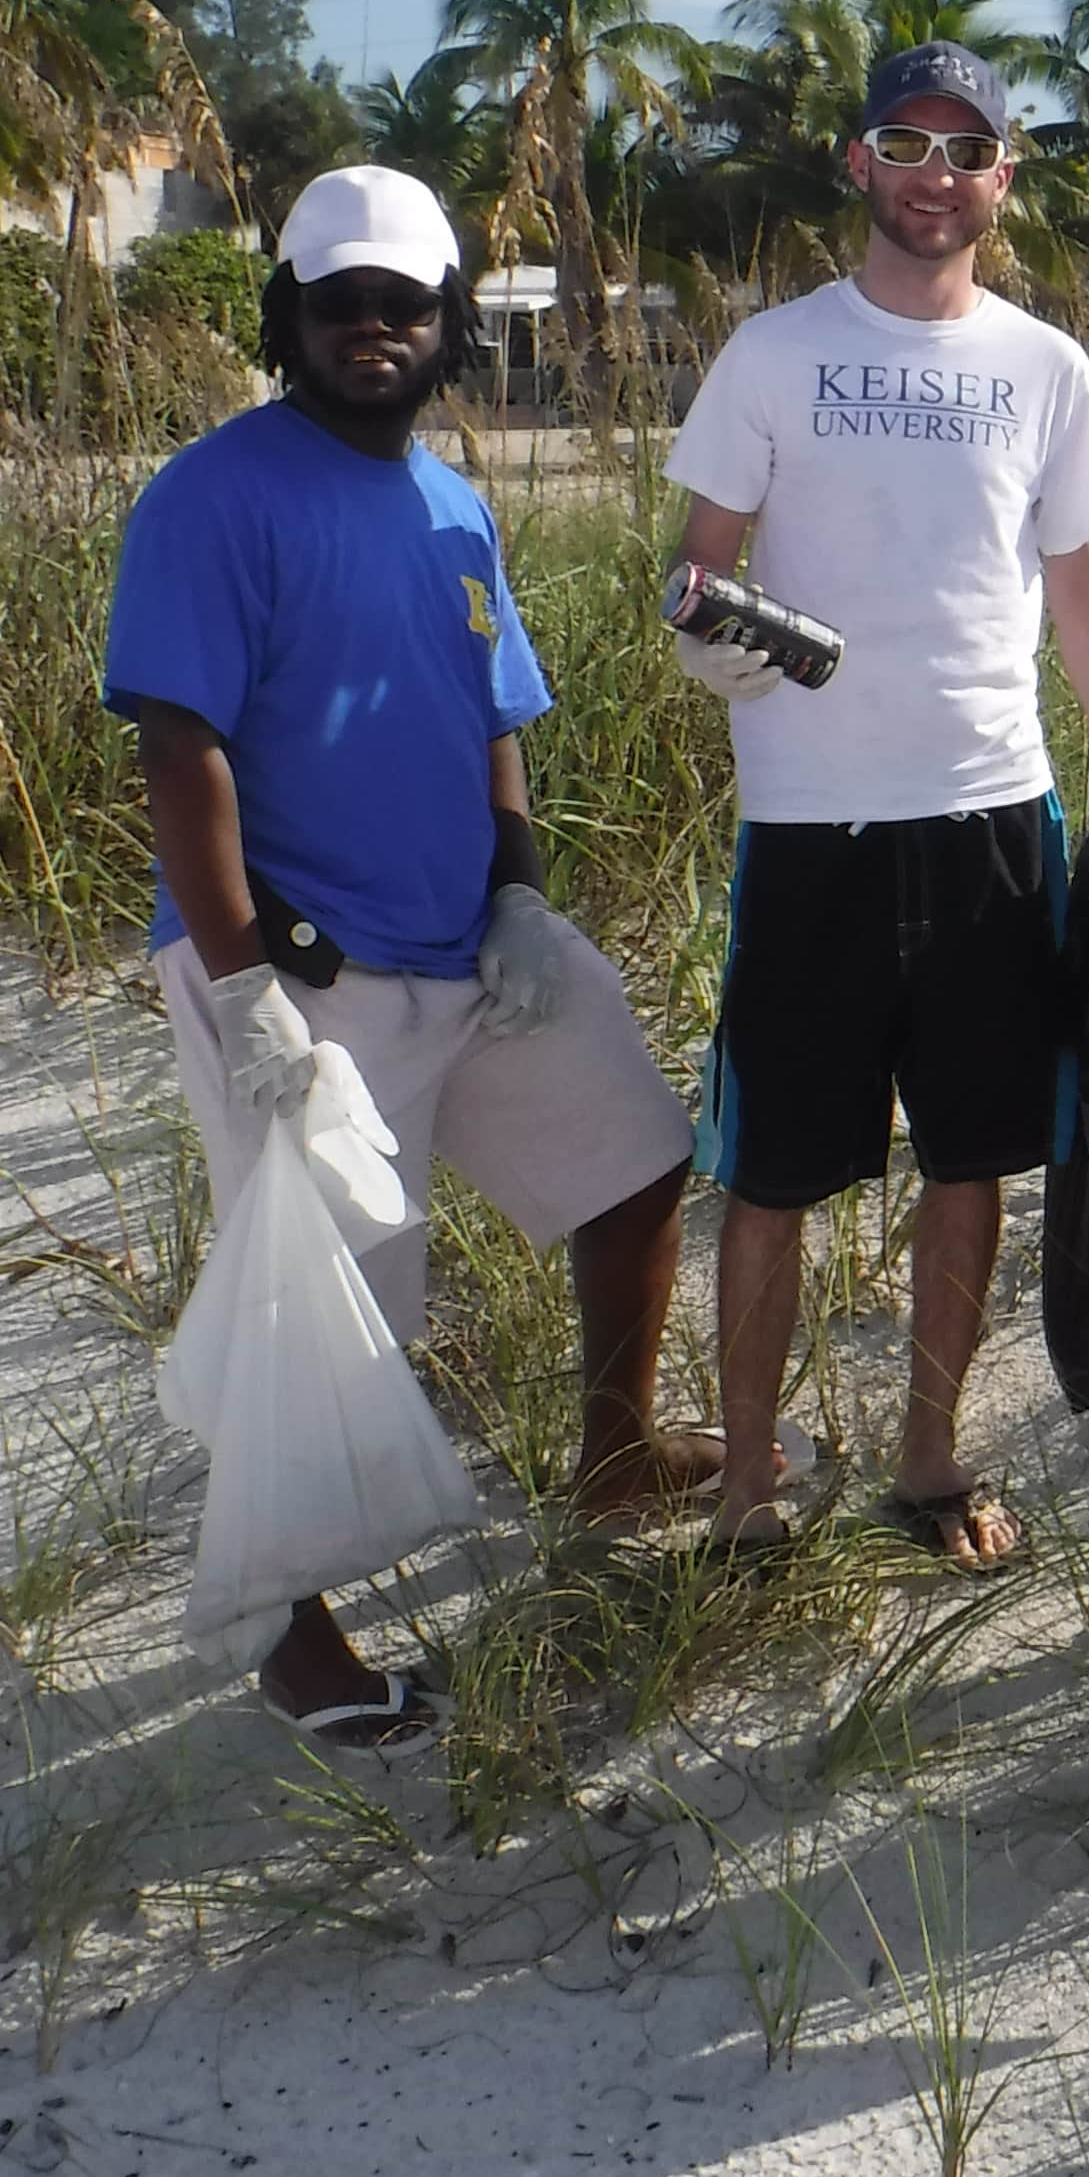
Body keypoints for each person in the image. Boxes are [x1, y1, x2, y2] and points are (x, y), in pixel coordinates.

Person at [107, 163, 711, 1753]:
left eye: (405, 303)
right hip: (302, 977)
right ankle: (297, 1638)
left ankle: (613, 1457)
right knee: (326, 1319)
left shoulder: (454, 502)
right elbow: (185, 753)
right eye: (339, 302)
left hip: (471, 951)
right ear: (286, 317)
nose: (373, 328)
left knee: (640, 1155)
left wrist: (521, 898)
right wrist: (246, 998)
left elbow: (493, 721)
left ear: (450, 323)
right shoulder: (210, 497)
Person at [664, 41, 1089, 1572]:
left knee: (973, 1158)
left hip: (998, 817)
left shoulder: (1047, 368)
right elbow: (700, 561)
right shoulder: (771, 355)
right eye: (906, 144)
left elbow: (1077, 578)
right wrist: (710, 637)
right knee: (774, 1171)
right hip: (811, 829)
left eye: (968, 150)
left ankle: (931, 1457)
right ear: (857, 163)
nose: (936, 176)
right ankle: (748, 1481)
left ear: (1007, 178)